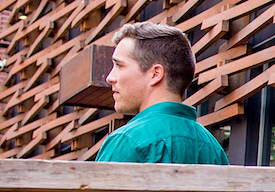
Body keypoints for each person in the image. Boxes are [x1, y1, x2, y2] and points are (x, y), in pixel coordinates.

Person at [93, 22, 227, 164]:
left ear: (155, 74)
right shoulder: (214, 149)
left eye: (119, 65)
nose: (110, 77)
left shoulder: (127, 141)